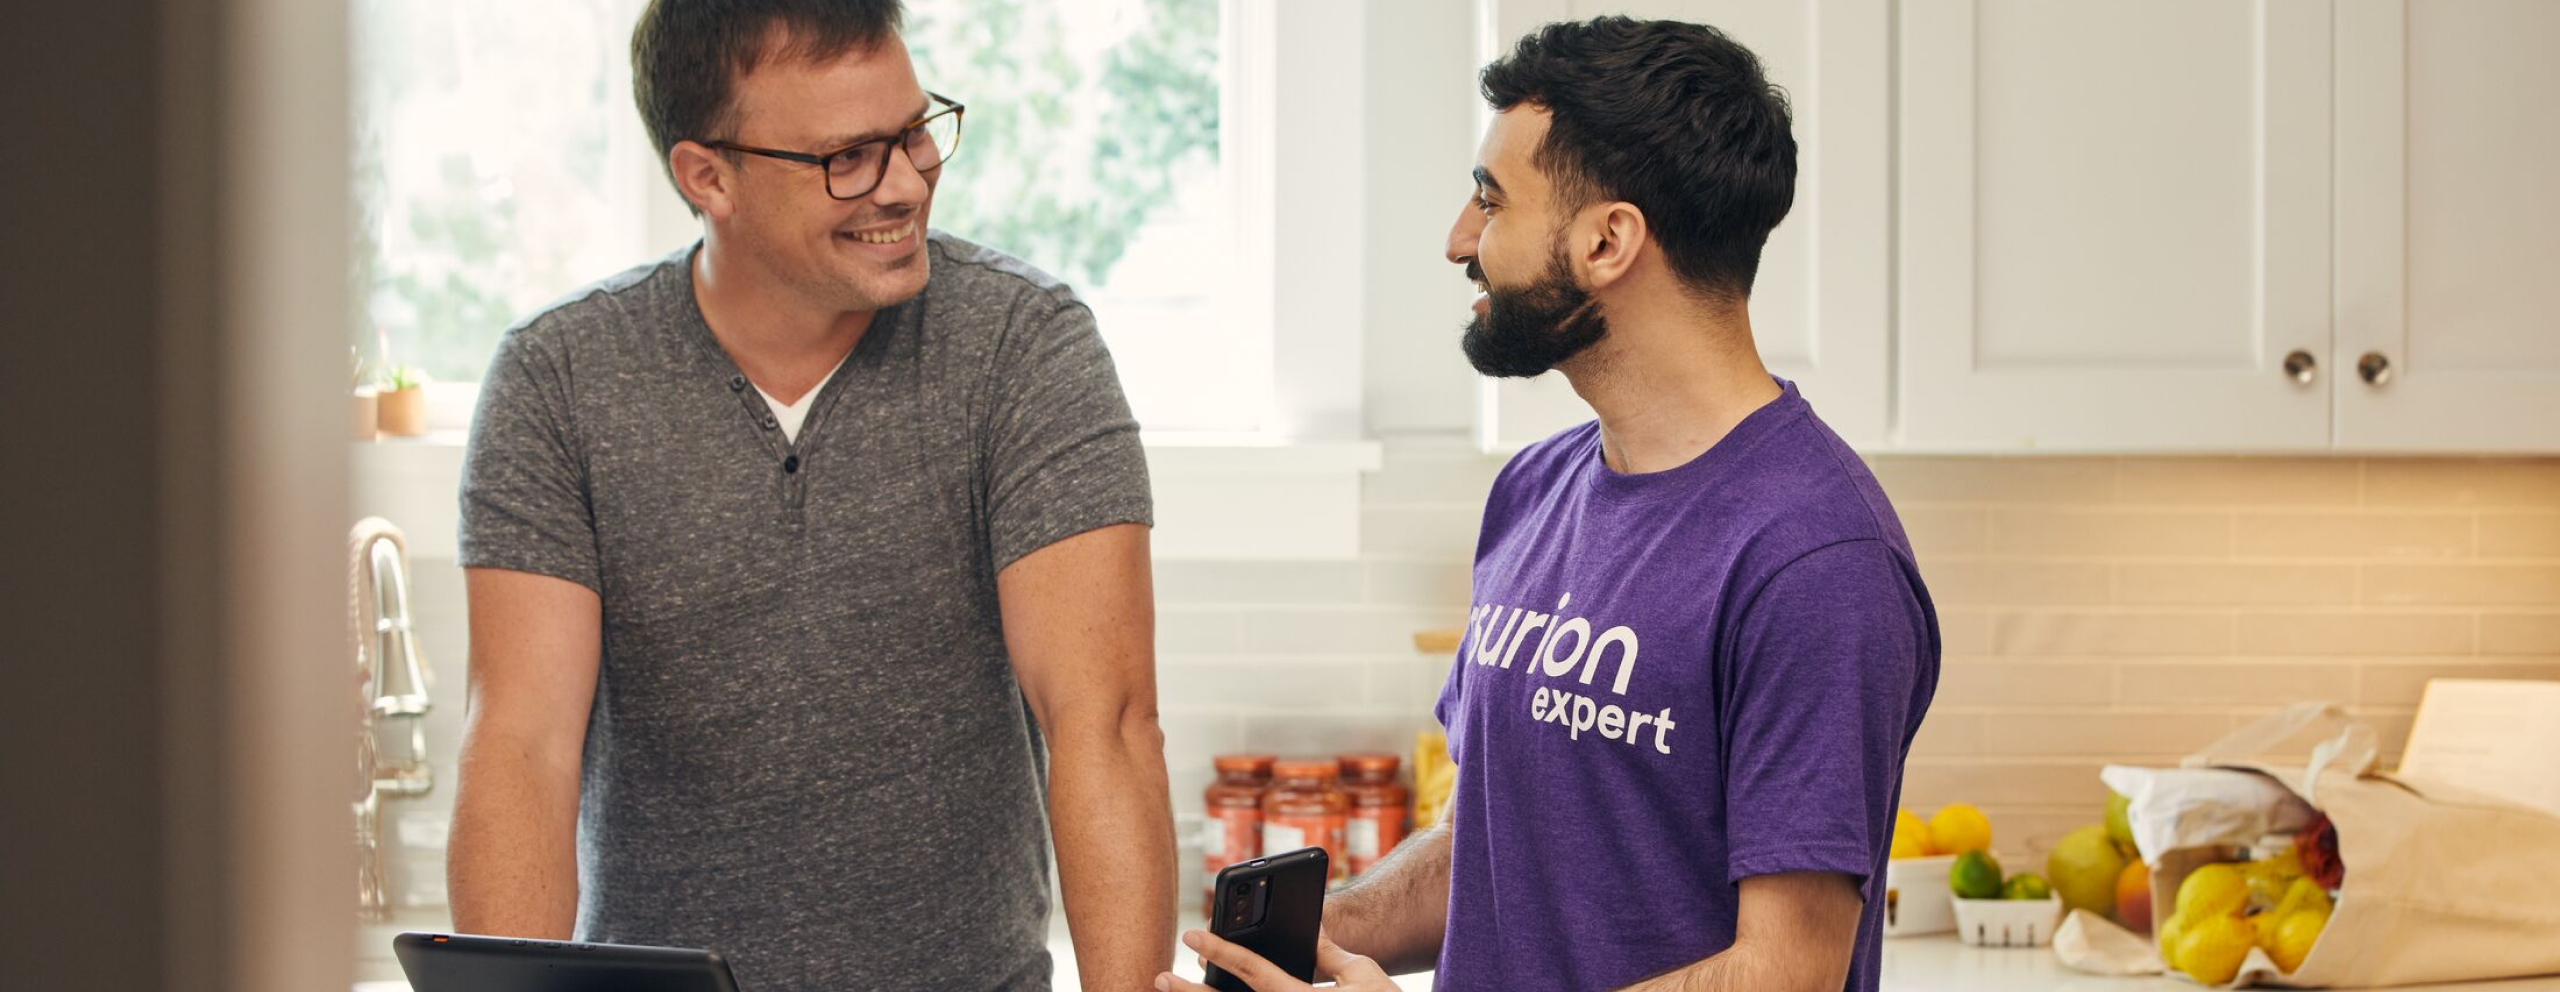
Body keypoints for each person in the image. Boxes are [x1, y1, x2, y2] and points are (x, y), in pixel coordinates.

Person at [1162, 17, 1938, 992]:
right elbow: (1485, 852)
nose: (1459, 239)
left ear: (1608, 240)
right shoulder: (1532, 492)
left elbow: (1785, 970)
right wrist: (1299, 938)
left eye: (1490, 200)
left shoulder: (1815, 559)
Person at [446, 2, 1174, 989]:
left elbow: (1105, 723)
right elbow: (522, 745)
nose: (906, 183)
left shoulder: (1022, 346)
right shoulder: (560, 378)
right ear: (707, 177)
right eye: (849, 157)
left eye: (915, 132)